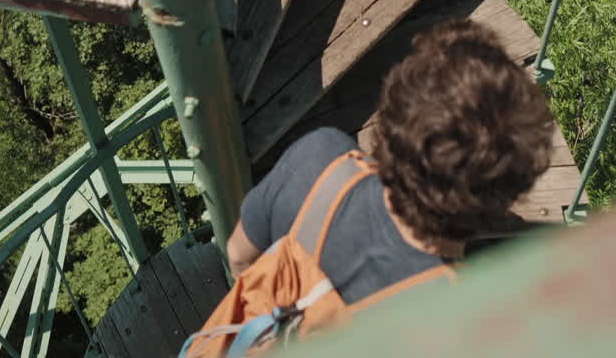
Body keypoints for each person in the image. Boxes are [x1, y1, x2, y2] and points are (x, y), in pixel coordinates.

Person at [215, 18, 555, 342]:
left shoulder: (318, 158)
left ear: (392, 113)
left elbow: (239, 256)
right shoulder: (455, 319)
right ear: (503, 198)